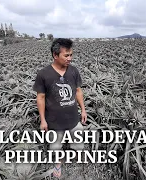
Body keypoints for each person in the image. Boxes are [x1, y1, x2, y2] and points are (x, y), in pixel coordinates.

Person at [33, 38, 87, 178]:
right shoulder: (44, 74)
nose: (70, 58)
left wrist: (83, 110)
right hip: (54, 122)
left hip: (73, 119)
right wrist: (43, 120)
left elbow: (78, 92)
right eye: (66, 55)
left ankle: (77, 158)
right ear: (55, 55)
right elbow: (40, 98)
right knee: (56, 146)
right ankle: (58, 164)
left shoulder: (74, 71)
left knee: (78, 141)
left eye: (71, 55)